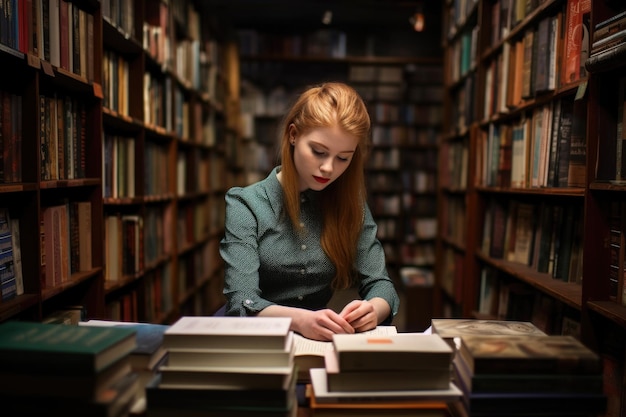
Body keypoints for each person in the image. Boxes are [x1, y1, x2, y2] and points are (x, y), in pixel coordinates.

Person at [219, 82, 400, 341]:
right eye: (318, 152)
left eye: (343, 158)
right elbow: (241, 301)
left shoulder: (351, 204)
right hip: (254, 336)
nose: (328, 168)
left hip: (316, 336)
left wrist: (373, 308)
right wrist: (300, 319)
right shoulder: (246, 204)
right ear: (293, 135)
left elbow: (381, 284)